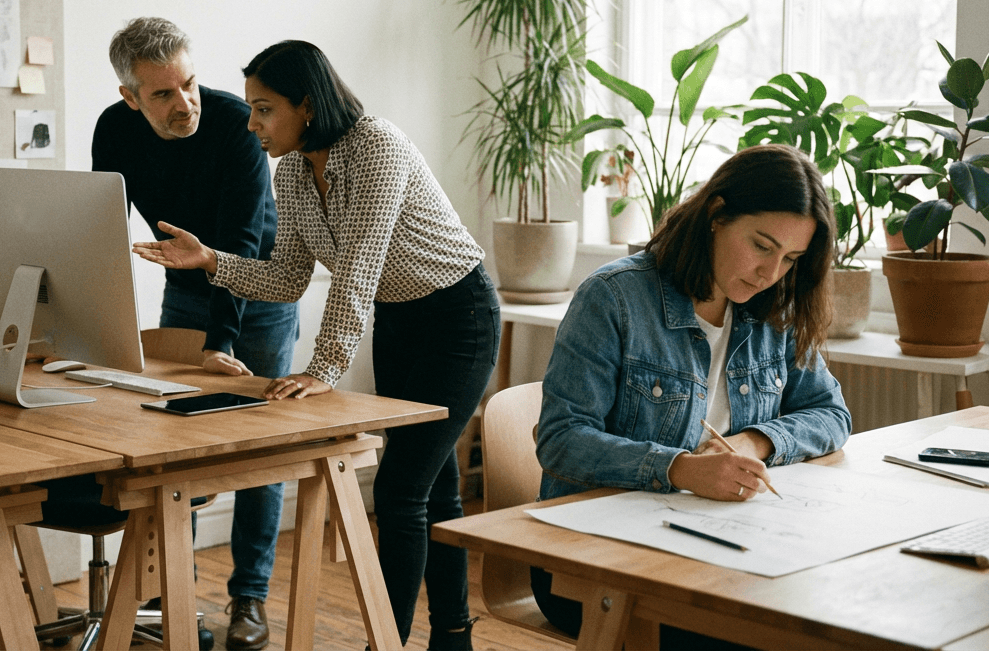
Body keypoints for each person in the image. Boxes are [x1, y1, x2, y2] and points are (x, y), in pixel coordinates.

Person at [133, 40, 501, 651]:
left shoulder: (376, 147)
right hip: (400, 321)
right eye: (250, 108)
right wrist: (210, 260)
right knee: (435, 487)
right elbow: (287, 279)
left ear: (307, 105)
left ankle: (387, 641)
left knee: (401, 489)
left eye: (264, 108)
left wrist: (325, 367)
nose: (251, 123)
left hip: (459, 317)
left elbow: (357, 269)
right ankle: (453, 636)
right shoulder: (295, 173)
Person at [530, 143, 853, 648]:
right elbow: (561, 440)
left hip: (722, 548)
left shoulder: (774, 309)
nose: (771, 273)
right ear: (716, 215)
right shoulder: (614, 298)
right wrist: (680, 469)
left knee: (830, 614)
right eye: (762, 246)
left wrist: (754, 440)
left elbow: (831, 413)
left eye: (790, 258)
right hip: (595, 563)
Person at [92, 17, 298, 651]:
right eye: (162, 95)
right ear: (131, 97)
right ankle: (168, 588)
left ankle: (249, 599)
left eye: (190, 85)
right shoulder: (114, 128)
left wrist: (220, 343)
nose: (184, 105)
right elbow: (99, 228)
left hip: (256, 290)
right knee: (175, 441)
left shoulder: (238, 127)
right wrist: (98, 321)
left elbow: (237, 246)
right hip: (183, 289)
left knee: (261, 453)